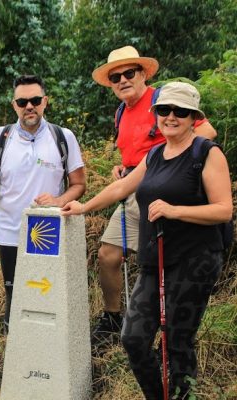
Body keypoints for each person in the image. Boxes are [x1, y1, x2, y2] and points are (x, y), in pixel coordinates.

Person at [62, 82, 232, 399]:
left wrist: (175, 210)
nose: (171, 116)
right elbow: (121, 188)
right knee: (134, 338)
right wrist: (83, 207)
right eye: (165, 110)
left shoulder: (206, 154)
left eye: (180, 111)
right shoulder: (155, 154)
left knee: (177, 342)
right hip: (156, 260)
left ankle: (182, 394)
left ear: (193, 117)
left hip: (195, 260)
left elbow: (223, 210)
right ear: (156, 114)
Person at [90, 46, 217, 345]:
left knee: (161, 261)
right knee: (108, 255)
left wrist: (169, 160)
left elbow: (207, 131)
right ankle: (112, 318)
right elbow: (129, 153)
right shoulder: (121, 112)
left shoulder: (163, 101)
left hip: (166, 189)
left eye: (129, 73)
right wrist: (122, 167)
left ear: (144, 74)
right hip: (134, 188)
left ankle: (173, 327)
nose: (122, 80)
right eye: (115, 77)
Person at [0, 74, 86, 331]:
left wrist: (58, 200)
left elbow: (79, 185)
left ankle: (46, 349)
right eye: (22, 101)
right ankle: (17, 351)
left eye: (35, 100)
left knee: (47, 294)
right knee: (15, 295)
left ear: (45, 101)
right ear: (14, 105)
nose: (29, 106)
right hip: (10, 232)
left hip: (47, 232)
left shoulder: (63, 136)